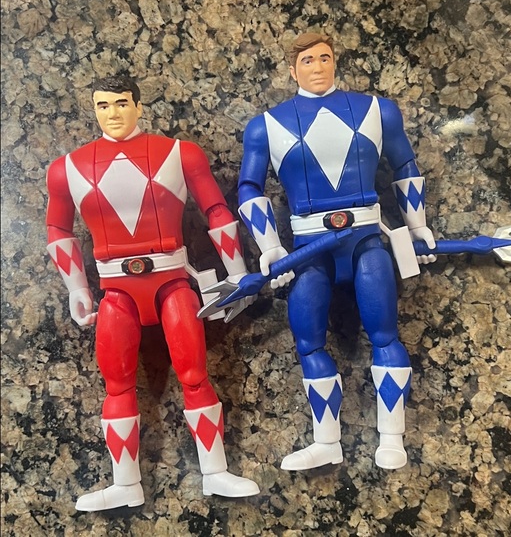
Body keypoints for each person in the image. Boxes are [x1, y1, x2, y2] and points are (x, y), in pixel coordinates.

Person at [46, 76, 259, 511]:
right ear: (93, 109)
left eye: (122, 103)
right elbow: (57, 228)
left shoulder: (179, 153)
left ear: (139, 106)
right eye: (103, 105)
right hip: (116, 290)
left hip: (171, 282)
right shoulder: (67, 168)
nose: (113, 113)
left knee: (194, 374)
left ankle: (215, 471)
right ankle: (125, 483)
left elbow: (217, 211)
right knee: (117, 384)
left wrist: (237, 273)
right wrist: (76, 287)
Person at [238, 32, 436, 471]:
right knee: (308, 340)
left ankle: (392, 437)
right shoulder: (266, 125)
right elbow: (249, 187)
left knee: (384, 333)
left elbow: (405, 165)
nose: (318, 67)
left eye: (325, 57)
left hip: (365, 238)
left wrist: (417, 226)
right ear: (292, 69)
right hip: (309, 246)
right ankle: (326, 441)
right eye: (308, 60)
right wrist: (270, 245)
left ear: (335, 61)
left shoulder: (377, 110)